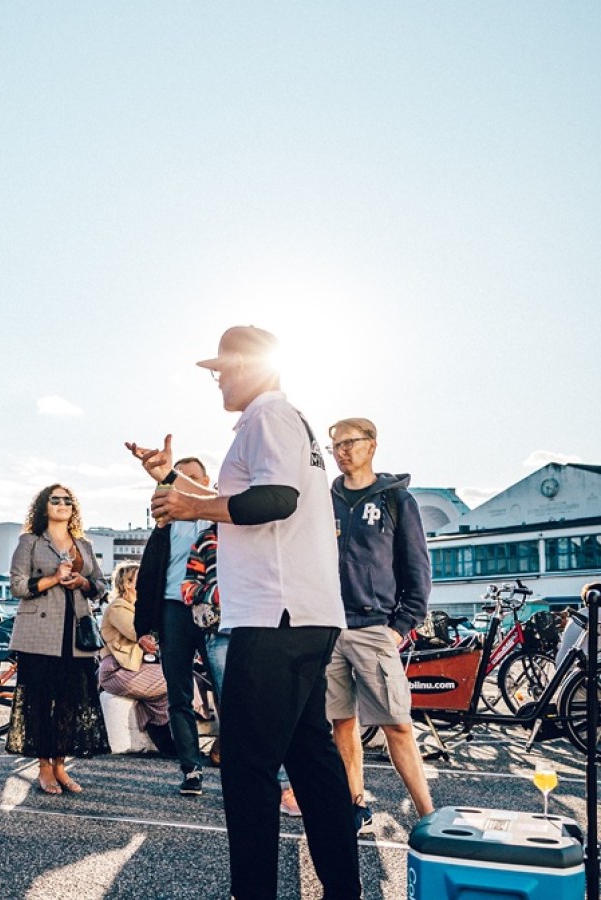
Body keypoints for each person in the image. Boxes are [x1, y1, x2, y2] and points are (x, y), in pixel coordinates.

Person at [144, 326, 360, 900]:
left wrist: (188, 500)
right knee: (309, 755)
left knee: (247, 767)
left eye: (222, 368)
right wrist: (173, 478)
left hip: (276, 616)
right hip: (302, 613)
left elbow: (274, 499)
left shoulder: (268, 417)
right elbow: (257, 492)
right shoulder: (281, 421)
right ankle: (344, 888)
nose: (217, 379)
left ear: (251, 365)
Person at [326, 417, 434, 830]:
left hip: (375, 627)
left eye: (350, 442)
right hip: (329, 626)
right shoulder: (325, 498)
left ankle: (427, 813)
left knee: (397, 724)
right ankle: (355, 804)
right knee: (342, 721)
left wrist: (401, 624)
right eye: (335, 444)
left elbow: (417, 568)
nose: (342, 451)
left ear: (372, 445)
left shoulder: (396, 500)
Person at [7, 485, 110, 794]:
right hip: (38, 634)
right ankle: (43, 768)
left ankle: (61, 765)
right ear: (44, 506)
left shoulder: (84, 544)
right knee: (39, 702)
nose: (62, 504)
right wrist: (53, 578)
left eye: (67, 500)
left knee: (70, 702)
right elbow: (16, 585)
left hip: (76, 634)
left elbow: (102, 585)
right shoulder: (30, 541)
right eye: (55, 499)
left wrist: (83, 582)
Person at [125, 454, 216, 794]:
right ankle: (191, 769)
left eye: (191, 477)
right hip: (173, 611)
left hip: (214, 611)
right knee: (178, 695)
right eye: (177, 478)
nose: (183, 483)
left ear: (205, 483)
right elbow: (149, 574)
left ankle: (237, 762)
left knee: (228, 691)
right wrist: (144, 627)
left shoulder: (219, 518)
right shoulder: (165, 523)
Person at [97, 562, 171, 749]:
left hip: (136, 668)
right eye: (141, 577)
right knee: (174, 680)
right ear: (127, 583)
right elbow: (137, 632)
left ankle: (161, 732)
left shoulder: (137, 607)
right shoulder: (118, 607)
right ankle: (162, 733)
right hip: (116, 670)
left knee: (170, 687)